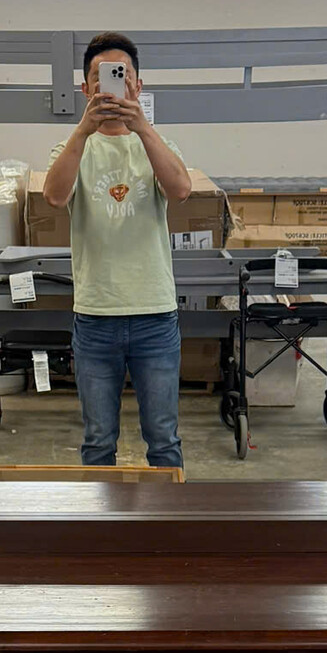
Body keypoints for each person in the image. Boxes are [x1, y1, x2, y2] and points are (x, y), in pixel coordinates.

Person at [43, 31, 192, 469]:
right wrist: (83, 129)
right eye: (101, 77)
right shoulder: (73, 148)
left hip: (155, 315)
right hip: (95, 316)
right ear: (86, 88)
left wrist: (141, 126)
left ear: (138, 86)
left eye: (122, 76)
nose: (112, 84)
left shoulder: (157, 145)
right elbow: (54, 196)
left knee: (164, 441)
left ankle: (168, 516)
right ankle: (100, 517)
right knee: (97, 442)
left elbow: (181, 189)